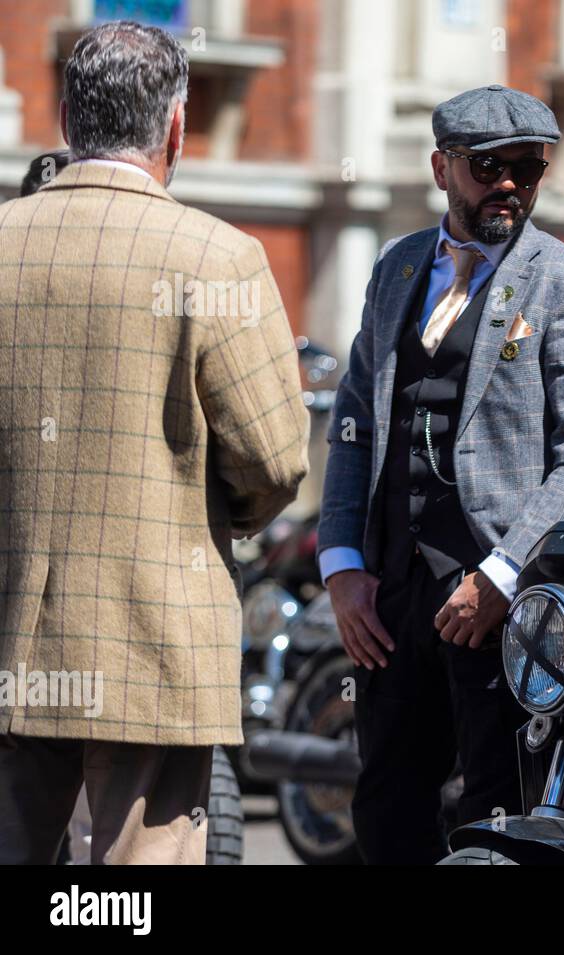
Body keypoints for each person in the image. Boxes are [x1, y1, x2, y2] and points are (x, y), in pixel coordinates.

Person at [0, 20, 310, 864]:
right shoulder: (220, 257)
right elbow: (276, 458)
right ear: (175, 126)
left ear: (66, 120)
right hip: (156, 643)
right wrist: (213, 511)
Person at [317, 85, 564, 864]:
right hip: (389, 596)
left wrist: (504, 570)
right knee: (386, 810)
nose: (510, 184)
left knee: (494, 814)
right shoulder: (396, 269)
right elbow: (354, 425)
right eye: (489, 166)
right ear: (442, 168)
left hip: (499, 606)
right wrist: (343, 564)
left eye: (529, 167)